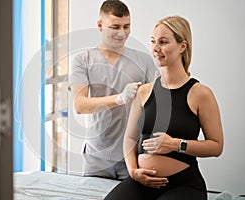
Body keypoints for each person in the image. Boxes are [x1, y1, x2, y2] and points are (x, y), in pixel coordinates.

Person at [105, 15, 224, 199]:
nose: (155, 48)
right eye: (153, 41)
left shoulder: (200, 93)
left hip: (183, 184)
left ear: (182, 46)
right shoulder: (144, 91)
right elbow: (129, 138)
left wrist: (176, 144)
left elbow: (216, 146)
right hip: (141, 182)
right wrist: (133, 171)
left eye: (163, 42)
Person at [69, 0, 157, 180]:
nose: (122, 33)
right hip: (96, 156)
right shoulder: (82, 60)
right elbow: (80, 105)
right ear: (100, 25)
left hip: (133, 156)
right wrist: (119, 99)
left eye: (127, 26)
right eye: (115, 27)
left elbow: (157, 104)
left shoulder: (144, 60)